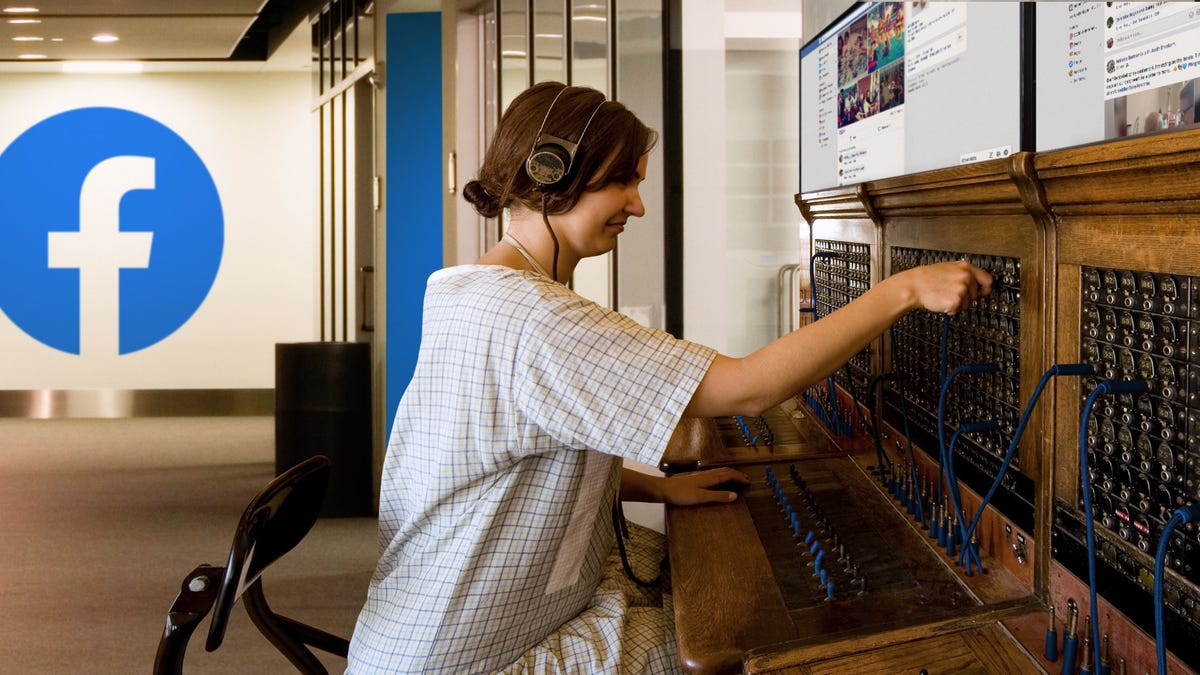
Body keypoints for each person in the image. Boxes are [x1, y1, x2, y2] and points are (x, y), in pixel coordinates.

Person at [347, 82, 992, 674]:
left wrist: (659, 489)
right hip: (464, 655)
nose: (638, 204)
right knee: (719, 648)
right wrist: (903, 291)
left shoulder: (472, 290)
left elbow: (518, 453)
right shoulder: (532, 316)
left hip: (422, 631)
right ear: (555, 177)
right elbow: (747, 388)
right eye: (622, 182)